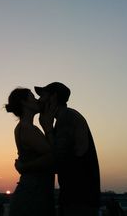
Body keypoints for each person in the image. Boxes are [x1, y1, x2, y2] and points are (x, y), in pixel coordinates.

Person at [16, 82, 101, 216]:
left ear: (53, 97)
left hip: (80, 200)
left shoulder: (67, 119)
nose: (39, 100)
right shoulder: (63, 120)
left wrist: (25, 167)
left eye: (42, 96)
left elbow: (56, 161)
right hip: (75, 198)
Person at [6, 88, 56, 216]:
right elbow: (54, 157)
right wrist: (48, 127)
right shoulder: (27, 128)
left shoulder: (23, 128)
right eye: (32, 97)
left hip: (33, 193)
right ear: (24, 103)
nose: (37, 100)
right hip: (33, 196)